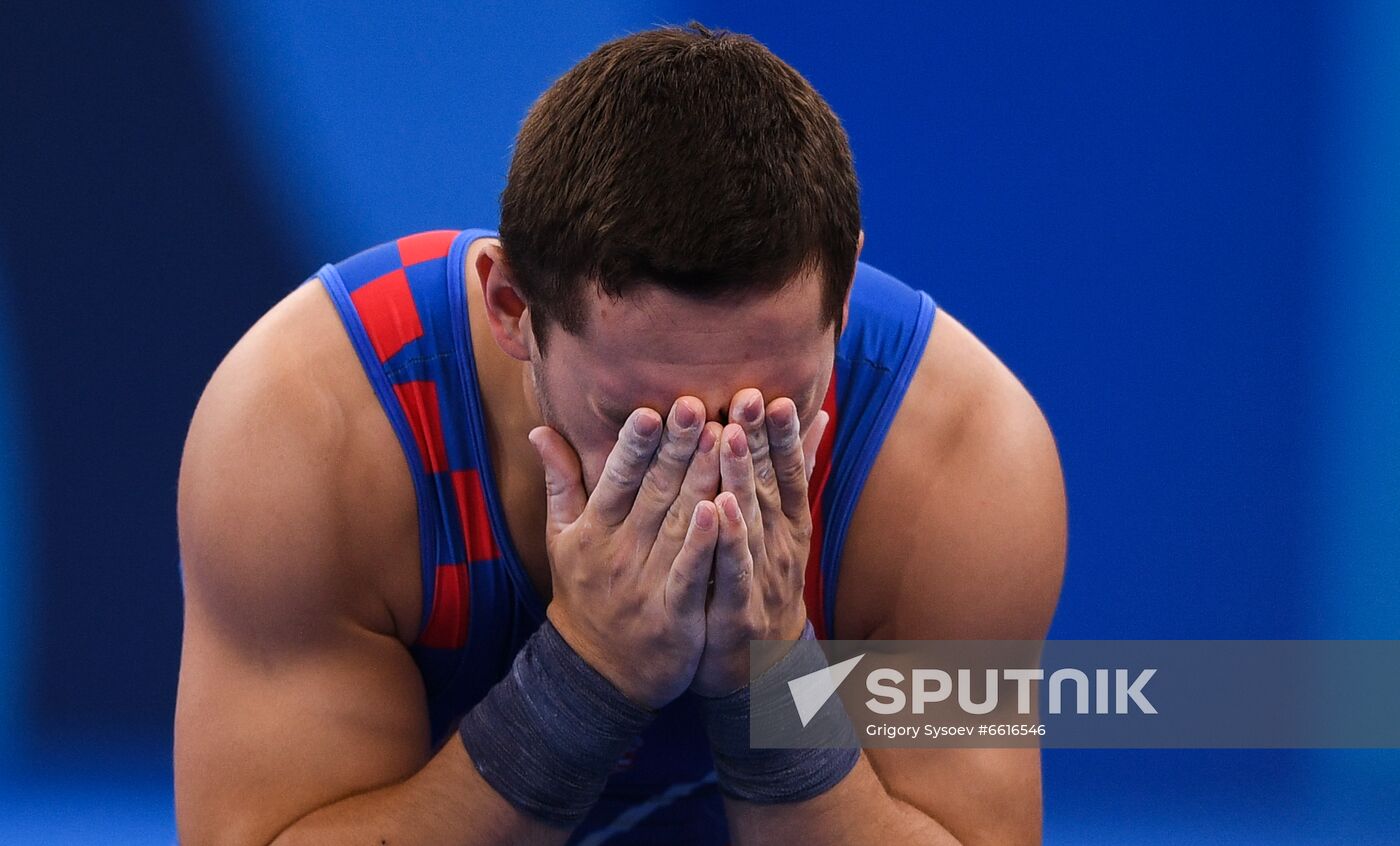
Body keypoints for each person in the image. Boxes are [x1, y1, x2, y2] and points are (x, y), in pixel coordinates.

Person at [174, 22, 1065, 846]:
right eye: (640, 424)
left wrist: (771, 680)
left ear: (841, 301)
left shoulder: (959, 458)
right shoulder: (314, 429)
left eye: (771, 417)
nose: (708, 479)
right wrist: (584, 676)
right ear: (511, 307)